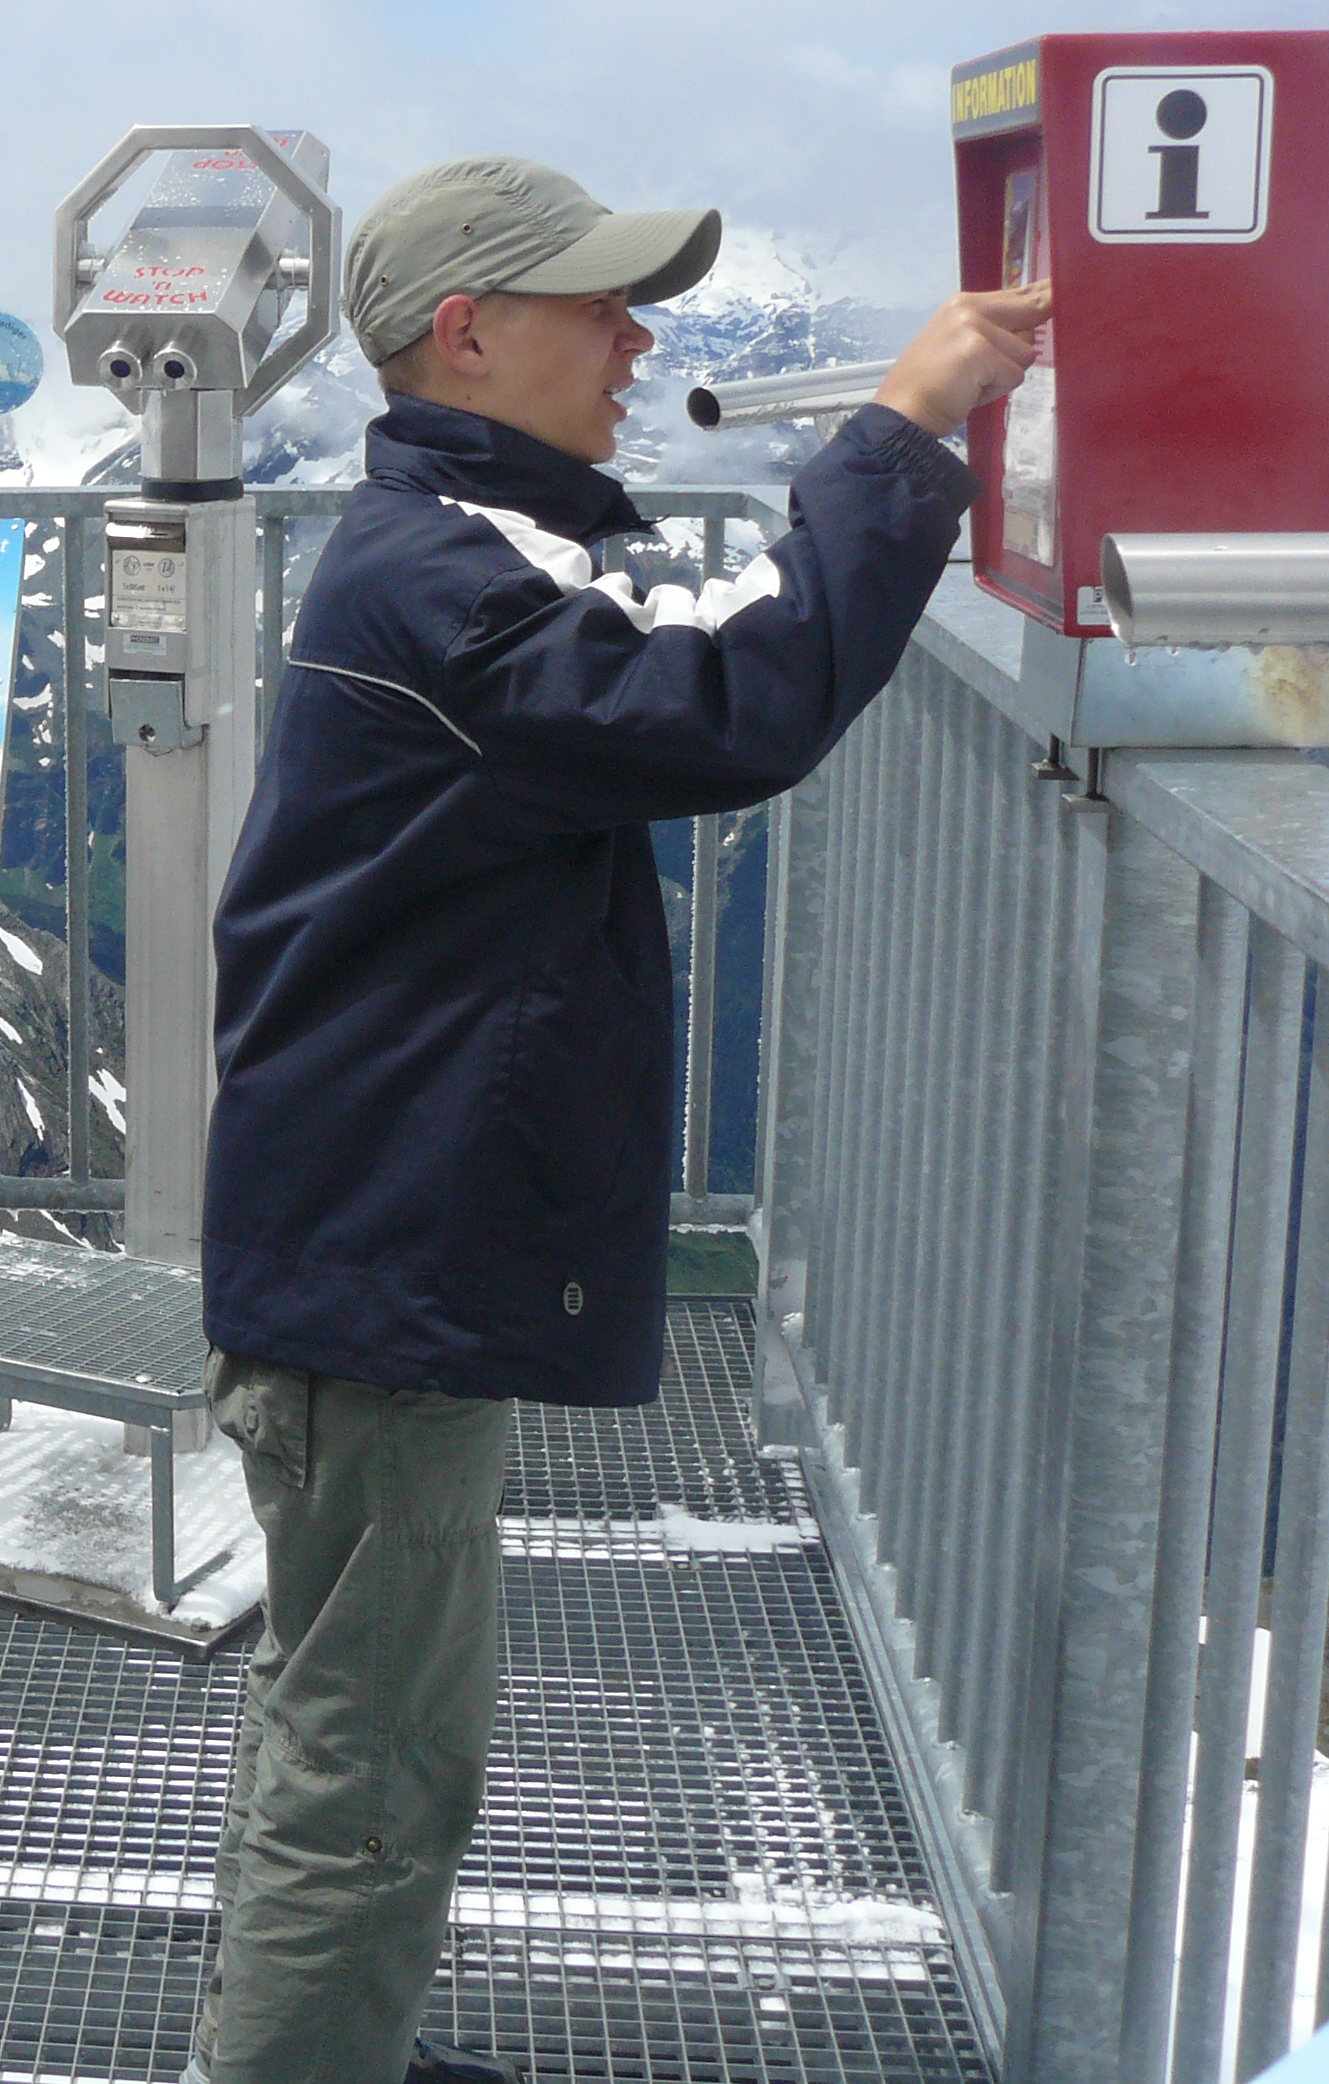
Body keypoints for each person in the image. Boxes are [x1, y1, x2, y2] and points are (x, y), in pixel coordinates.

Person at [191, 155, 1048, 2084]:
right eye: (596, 304)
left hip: (360, 1225)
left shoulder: (444, 544)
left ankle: (325, 2045)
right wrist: (903, 428)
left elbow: (671, 668)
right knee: (374, 1752)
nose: (636, 339)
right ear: (465, 334)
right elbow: (729, 706)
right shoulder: (438, 578)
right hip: (379, 1253)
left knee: (348, 1703)